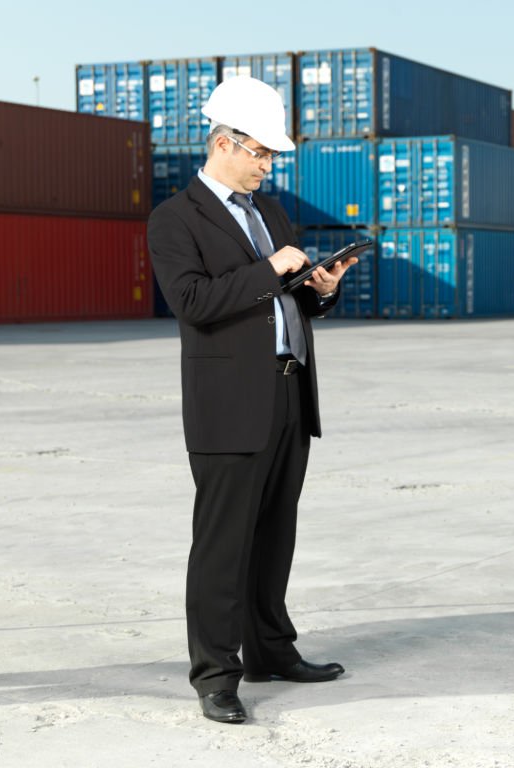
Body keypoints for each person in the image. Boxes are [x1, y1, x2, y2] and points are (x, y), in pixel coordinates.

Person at [147, 76, 357, 724]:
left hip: (288, 391)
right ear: (222, 143)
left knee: (275, 535)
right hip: (229, 406)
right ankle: (215, 675)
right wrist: (271, 271)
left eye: (270, 155)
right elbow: (194, 303)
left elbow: (286, 301)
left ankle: (272, 650)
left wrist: (320, 288)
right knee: (222, 544)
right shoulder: (174, 219)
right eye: (260, 153)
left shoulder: (269, 213)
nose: (268, 166)